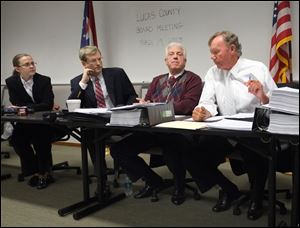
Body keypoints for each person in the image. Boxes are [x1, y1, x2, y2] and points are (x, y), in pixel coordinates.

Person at [186, 31, 278, 220]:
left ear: (232, 49)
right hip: (226, 128)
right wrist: (202, 111)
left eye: (216, 52)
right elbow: (207, 102)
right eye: (211, 53)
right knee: (194, 156)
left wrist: (262, 95)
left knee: (254, 154)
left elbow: (277, 105)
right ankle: (229, 190)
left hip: (253, 130)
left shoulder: (257, 68)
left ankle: (257, 198)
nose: (212, 57)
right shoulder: (212, 73)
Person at [110, 42, 203, 205]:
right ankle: (153, 180)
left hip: (177, 130)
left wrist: (156, 107)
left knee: (171, 145)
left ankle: (179, 185)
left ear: (185, 60)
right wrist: (143, 104)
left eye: (179, 54)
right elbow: (149, 102)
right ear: (166, 60)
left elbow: (188, 105)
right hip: (153, 129)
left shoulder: (193, 79)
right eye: (171, 54)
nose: (175, 56)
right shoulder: (157, 80)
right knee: (118, 150)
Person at [68, 45, 138, 167]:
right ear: (84, 64)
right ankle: (101, 176)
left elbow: (132, 96)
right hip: (96, 123)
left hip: (119, 119)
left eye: (100, 59)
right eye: (93, 61)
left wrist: (123, 108)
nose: (98, 63)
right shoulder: (77, 81)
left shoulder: (117, 74)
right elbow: (72, 104)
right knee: (90, 134)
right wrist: (84, 82)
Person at [5, 53, 55, 189]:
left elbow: (47, 104)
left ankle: (43, 173)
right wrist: (29, 107)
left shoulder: (44, 80)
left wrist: (26, 107)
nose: (32, 66)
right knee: (16, 140)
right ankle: (35, 171)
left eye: (33, 63)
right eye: (27, 64)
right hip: (26, 122)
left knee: (41, 140)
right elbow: (15, 102)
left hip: (44, 122)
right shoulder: (11, 82)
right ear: (17, 68)